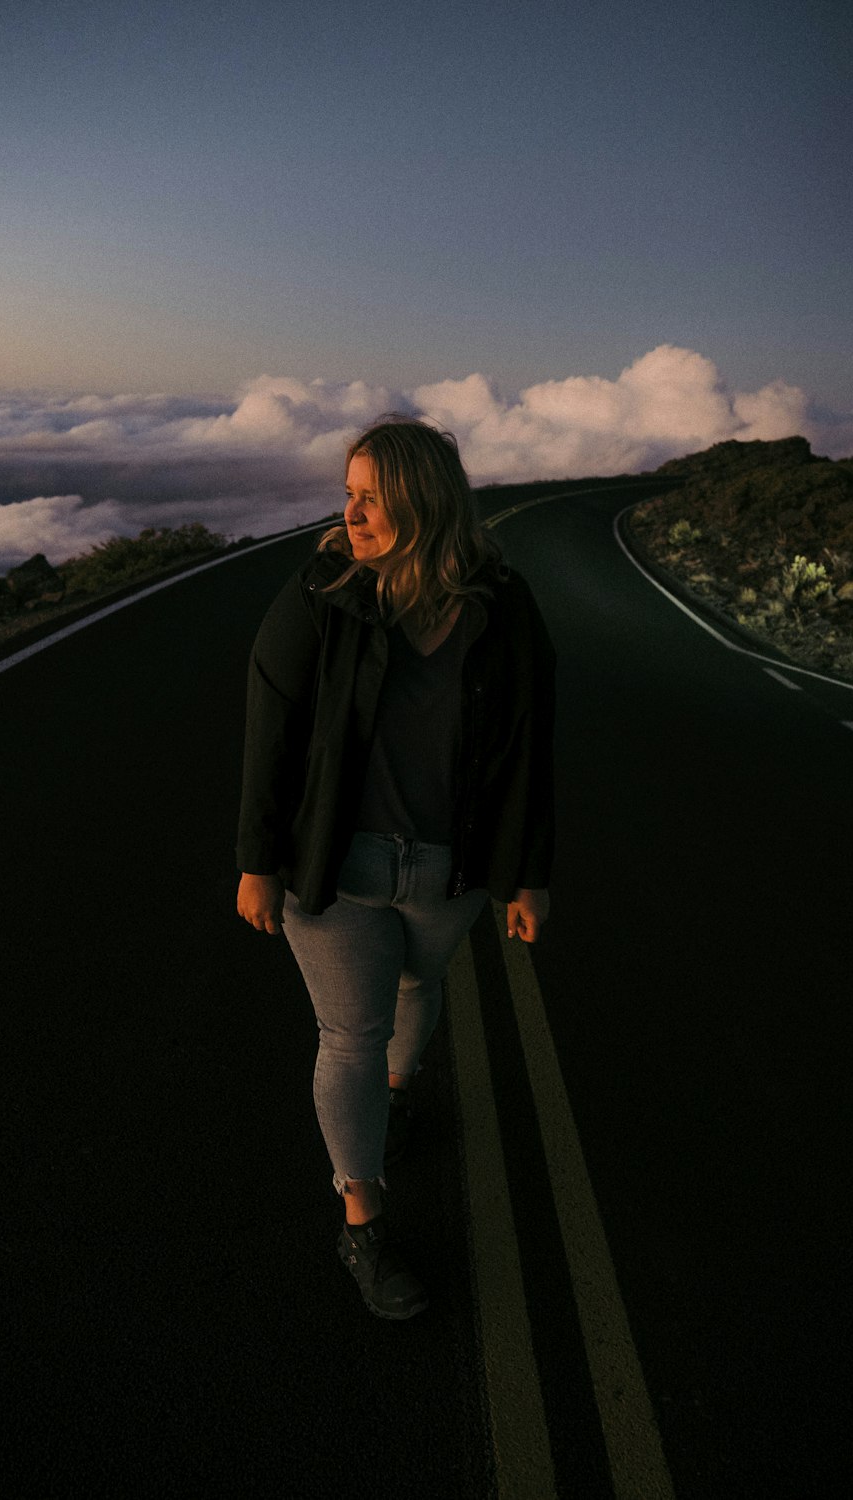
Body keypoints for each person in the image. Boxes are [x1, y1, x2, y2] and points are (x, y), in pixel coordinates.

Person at [236, 415, 555, 1319]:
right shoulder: (323, 591)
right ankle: (363, 1221)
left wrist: (529, 872)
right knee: (351, 1034)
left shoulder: (501, 602)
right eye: (349, 492)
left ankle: (399, 1096)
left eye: (372, 496)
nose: (351, 512)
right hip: (334, 867)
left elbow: (530, 743)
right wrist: (258, 861)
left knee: (418, 988)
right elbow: (271, 727)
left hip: (450, 869)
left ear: (424, 500)